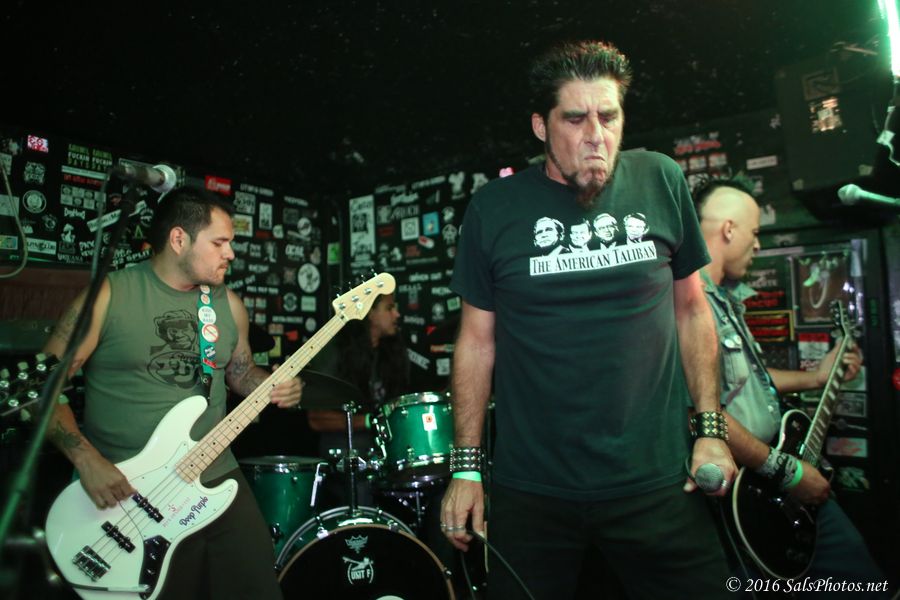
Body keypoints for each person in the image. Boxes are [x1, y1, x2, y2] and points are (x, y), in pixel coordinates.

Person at [440, 40, 735, 600]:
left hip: (658, 479)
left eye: (609, 116)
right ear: (541, 126)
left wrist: (711, 431)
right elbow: (476, 343)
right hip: (533, 490)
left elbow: (692, 309)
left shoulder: (660, 179)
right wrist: (467, 468)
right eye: (575, 118)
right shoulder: (494, 209)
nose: (596, 134)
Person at [44, 186, 302, 600]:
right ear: (179, 239)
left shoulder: (228, 304)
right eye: (219, 242)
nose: (230, 253)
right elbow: (43, 385)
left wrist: (273, 386)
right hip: (129, 491)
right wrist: (86, 460)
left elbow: (240, 374)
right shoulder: (110, 295)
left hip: (216, 475)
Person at [694, 178, 888, 592]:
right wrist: (785, 471)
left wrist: (817, 377)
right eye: (754, 233)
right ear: (728, 229)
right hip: (752, 489)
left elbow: (749, 384)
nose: (757, 245)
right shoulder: (689, 305)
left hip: (775, 474)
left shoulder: (726, 300)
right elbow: (699, 410)